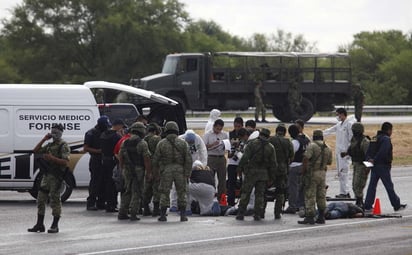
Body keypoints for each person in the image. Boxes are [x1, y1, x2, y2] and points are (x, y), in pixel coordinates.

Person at [28, 124, 70, 233]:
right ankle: (39, 224)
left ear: (60, 133)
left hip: (56, 177)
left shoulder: (63, 145)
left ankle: (55, 225)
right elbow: (35, 151)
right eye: (53, 132)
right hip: (46, 176)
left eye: (56, 132)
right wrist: (44, 139)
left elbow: (65, 162)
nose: (54, 134)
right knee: (40, 199)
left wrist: (52, 158)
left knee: (55, 201)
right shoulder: (50, 145)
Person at [153, 121, 192, 222]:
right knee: (181, 192)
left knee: (164, 192)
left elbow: (156, 159)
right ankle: (183, 215)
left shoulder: (161, 143)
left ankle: (163, 215)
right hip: (180, 170)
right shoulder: (183, 143)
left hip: (166, 170)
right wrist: (187, 173)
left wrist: (156, 173)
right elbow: (188, 159)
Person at [364, 122, 407, 213]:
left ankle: (367, 205)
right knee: (389, 186)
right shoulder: (386, 139)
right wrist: (375, 160)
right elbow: (383, 152)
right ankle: (396, 205)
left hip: (374, 167)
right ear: (389, 130)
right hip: (383, 166)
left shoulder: (374, 138)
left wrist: (369, 161)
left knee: (372, 186)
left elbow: (368, 152)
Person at [236, 128, 277, 221]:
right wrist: (272, 177)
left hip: (251, 173)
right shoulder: (270, 147)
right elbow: (273, 164)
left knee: (246, 193)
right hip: (263, 174)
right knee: (260, 194)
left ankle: (241, 213)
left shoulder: (252, 144)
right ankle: (257, 214)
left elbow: (245, 158)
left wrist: (239, 168)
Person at [117, 122, 152, 221]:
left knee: (127, 190)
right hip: (138, 170)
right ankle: (133, 213)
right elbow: (146, 159)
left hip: (127, 170)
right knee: (136, 191)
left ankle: (122, 212)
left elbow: (121, 156)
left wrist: (121, 168)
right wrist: (149, 173)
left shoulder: (125, 142)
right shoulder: (142, 143)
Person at [298, 130, 332, 225]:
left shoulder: (312, 146)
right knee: (321, 195)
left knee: (310, 195)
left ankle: (310, 217)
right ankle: (321, 216)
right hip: (322, 173)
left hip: (312, 173)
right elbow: (329, 162)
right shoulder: (327, 147)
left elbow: (306, 158)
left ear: (314, 137)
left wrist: (303, 171)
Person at [169, 129, 208, 213]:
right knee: (176, 185)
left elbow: (203, 152)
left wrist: (203, 165)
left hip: (193, 165)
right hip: (181, 165)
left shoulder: (198, 139)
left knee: (190, 186)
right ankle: (174, 204)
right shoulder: (179, 139)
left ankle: (188, 205)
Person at [323, 108, 355, 198]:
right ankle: (343, 192)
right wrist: (318, 134)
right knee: (340, 173)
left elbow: (352, 139)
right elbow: (329, 131)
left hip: (345, 153)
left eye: (338, 115)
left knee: (344, 172)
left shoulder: (349, 124)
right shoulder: (339, 125)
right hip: (339, 153)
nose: (337, 117)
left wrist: (348, 152)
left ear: (343, 114)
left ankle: (345, 193)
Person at [83, 115, 111, 211]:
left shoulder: (105, 132)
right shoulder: (90, 133)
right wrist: (98, 151)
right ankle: (91, 202)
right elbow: (85, 148)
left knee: (104, 181)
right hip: (95, 160)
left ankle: (101, 202)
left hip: (105, 160)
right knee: (95, 182)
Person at [268, 124, 294, 219]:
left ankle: (260, 211)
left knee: (263, 190)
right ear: (285, 132)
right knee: (280, 191)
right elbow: (291, 156)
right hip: (282, 170)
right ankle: (277, 212)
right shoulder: (288, 142)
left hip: (270, 169)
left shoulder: (270, 140)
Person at [341, 123, 370, 208]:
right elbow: (352, 149)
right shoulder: (354, 139)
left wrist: (368, 169)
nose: (353, 132)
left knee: (359, 185)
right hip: (356, 164)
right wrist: (346, 153)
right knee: (354, 185)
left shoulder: (365, 141)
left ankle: (360, 202)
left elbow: (369, 156)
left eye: (355, 130)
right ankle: (358, 201)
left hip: (362, 165)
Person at [284, 124, 309, 214]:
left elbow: (290, 155)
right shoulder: (306, 140)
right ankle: (301, 204)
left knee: (293, 188)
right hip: (305, 166)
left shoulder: (295, 142)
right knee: (302, 187)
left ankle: (292, 206)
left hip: (295, 166)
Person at [100, 119, 123, 212]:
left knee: (106, 183)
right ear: (118, 126)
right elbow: (119, 149)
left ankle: (107, 203)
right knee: (113, 184)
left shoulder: (103, 134)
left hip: (104, 160)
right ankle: (112, 204)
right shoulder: (116, 136)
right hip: (113, 161)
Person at [203, 119, 229, 202]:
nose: (218, 131)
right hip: (211, 157)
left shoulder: (224, 134)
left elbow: (228, 145)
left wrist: (225, 146)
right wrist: (213, 144)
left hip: (221, 157)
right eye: (217, 129)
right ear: (213, 126)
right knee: (210, 178)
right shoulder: (208, 134)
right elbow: (204, 147)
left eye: (220, 129)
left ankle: (221, 198)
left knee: (222, 180)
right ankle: (209, 198)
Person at [142, 123, 162, 216]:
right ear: (155, 131)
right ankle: (156, 210)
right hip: (156, 165)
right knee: (156, 188)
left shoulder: (144, 139)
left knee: (147, 187)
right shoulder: (158, 139)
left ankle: (146, 208)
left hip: (147, 165)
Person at [227, 117, 244, 206]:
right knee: (231, 183)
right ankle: (230, 202)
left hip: (241, 161)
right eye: (235, 126)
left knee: (242, 183)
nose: (237, 128)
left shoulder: (244, 134)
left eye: (239, 126)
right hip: (232, 162)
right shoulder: (230, 134)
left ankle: (242, 202)